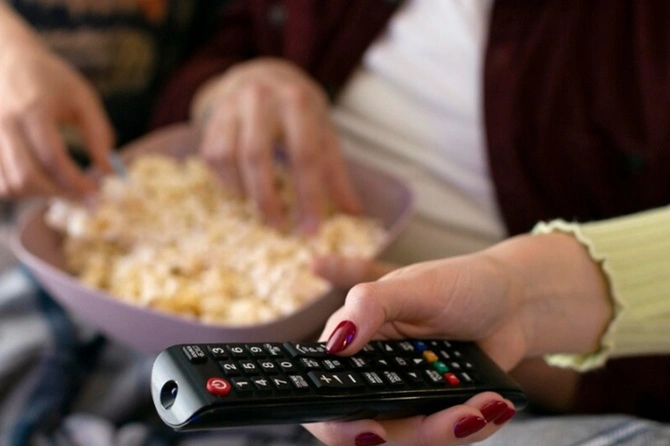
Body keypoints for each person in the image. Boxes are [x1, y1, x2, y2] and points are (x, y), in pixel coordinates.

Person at [147, 0, 670, 444]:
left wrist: (512, 333)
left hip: (506, 368)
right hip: (202, 309)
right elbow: (201, 69)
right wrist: (229, 91)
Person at [0, 0, 222, 199]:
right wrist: (8, 49)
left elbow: (214, 50)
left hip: (149, 168)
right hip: (21, 176)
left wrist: (221, 93)